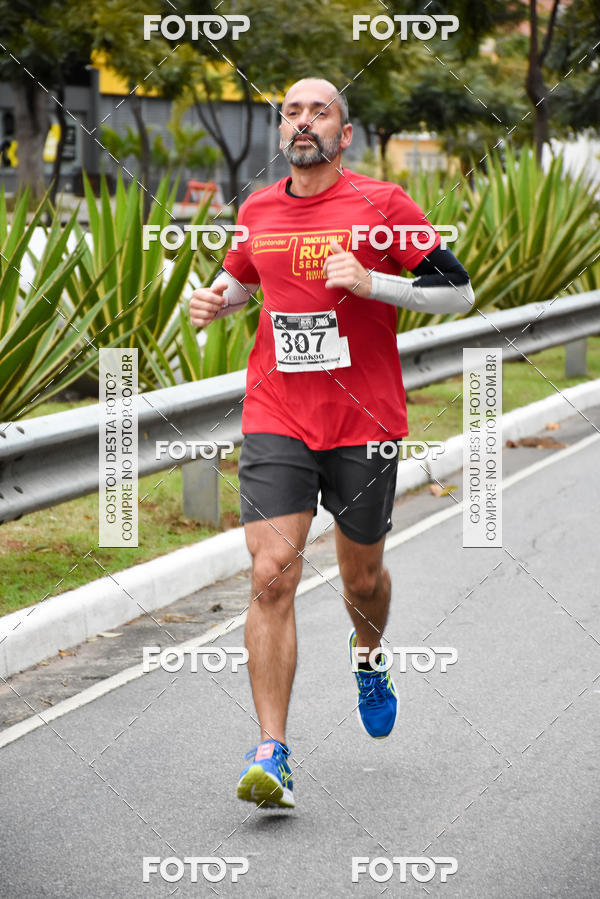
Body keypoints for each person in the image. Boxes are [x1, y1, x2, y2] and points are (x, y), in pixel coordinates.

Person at [189, 78, 474, 810]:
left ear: (345, 135)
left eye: (320, 111)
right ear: (280, 129)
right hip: (279, 411)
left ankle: (369, 656)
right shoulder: (258, 209)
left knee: (362, 580)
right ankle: (272, 752)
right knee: (272, 571)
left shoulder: (384, 206)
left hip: (364, 420)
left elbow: (458, 292)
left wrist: (377, 281)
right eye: (292, 111)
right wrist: (217, 299)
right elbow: (243, 281)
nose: (304, 121)